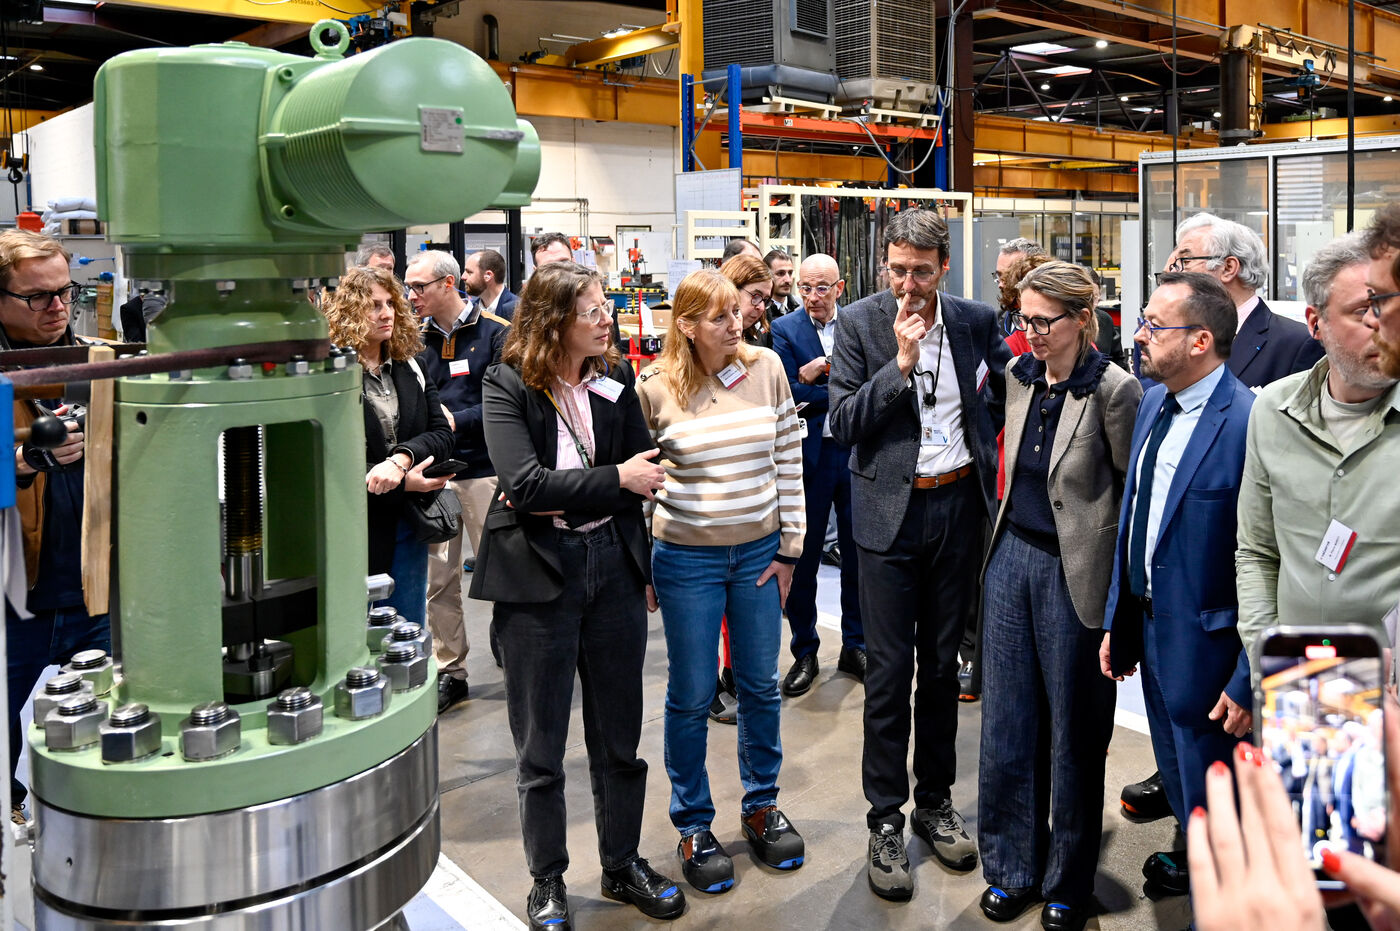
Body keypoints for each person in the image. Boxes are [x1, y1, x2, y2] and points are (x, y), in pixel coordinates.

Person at [472, 261, 683, 931]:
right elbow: (526, 486)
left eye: (604, 308)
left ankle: (621, 863)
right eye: (591, 311)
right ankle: (547, 880)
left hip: (612, 566)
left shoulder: (614, 380)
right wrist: (614, 479)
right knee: (541, 745)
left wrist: (634, 549)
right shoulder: (508, 383)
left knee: (619, 734)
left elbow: (646, 472)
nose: (605, 320)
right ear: (552, 319)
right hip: (540, 576)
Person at [828, 208, 1011, 901]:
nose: (908, 285)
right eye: (898, 270)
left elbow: (996, 402)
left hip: (957, 508)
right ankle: (885, 818)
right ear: (885, 265)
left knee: (941, 669)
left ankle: (934, 799)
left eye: (922, 273)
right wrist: (900, 366)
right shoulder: (860, 324)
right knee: (888, 673)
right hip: (888, 518)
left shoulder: (974, 321)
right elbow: (843, 421)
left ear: (944, 267)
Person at [976, 261, 1141, 930]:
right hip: (1011, 560)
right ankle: (1011, 868)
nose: (1032, 332)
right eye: (1025, 319)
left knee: (1075, 730)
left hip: (1075, 573)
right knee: (1006, 725)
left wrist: (1121, 605)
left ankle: (1067, 880)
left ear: (1082, 318)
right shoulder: (1019, 376)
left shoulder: (1115, 390)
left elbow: (1128, 497)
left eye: (1045, 321)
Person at [637, 268, 807, 896]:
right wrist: (644, 565)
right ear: (686, 326)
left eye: (738, 312)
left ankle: (762, 804)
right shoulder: (654, 387)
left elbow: (788, 457)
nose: (737, 324)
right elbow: (641, 483)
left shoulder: (767, 368)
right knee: (691, 693)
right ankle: (693, 824)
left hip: (760, 554)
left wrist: (790, 548)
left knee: (760, 684)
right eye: (720, 317)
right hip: (687, 560)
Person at [1099, 271, 1255, 901]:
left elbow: (1266, 559)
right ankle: (1197, 869)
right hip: (1150, 630)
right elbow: (1134, 521)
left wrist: (1248, 676)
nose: (1139, 334)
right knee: (1182, 778)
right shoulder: (1153, 402)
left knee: (1219, 795)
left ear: (1200, 341)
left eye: (1154, 325)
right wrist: (1119, 618)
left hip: (1211, 652)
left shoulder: (1247, 423)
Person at [1236, 232, 1400, 670]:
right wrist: (1267, 659)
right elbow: (1257, 552)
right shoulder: (1273, 410)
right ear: (1315, 323)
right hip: (1297, 681)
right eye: (1364, 310)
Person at [1, 230, 110, 823]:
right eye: (38, 297)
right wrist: (21, 461)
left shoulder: (96, 363)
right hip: (16, 605)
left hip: (96, 595)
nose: (58, 306)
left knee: (104, 740)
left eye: (66, 291)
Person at [406, 249, 510, 712]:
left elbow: (508, 402)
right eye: (409, 287)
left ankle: (516, 650)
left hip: (486, 471)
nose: (412, 296)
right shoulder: (414, 340)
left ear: (448, 284)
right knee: (438, 580)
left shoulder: (496, 333)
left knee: (504, 574)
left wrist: (457, 419)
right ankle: (451, 670)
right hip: (434, 475)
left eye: (419, 287)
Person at [323, 266, 454, 627]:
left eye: (390, 304)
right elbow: (324, 461)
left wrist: (402, 459)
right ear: (349, 312)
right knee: (356, 634)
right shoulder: (329, 375)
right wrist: (399, 482)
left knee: (407, 629)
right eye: (374, 305)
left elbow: (442, 433)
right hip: (353, 527)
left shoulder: (411, 365)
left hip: (406, 526)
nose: (386, 313)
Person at [770, 253, 864, 696]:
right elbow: (788, 391)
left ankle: (855, 645)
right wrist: (839, 388)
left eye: (822, 288)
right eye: (804, 288)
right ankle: (805, 650)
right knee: (804, 559)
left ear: (839, 288)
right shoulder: (784, 329)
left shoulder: (858, 325)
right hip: (809, 459)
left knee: (857, 555)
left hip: (854, 454)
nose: (812, 297)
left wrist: (820, 374)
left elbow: (870, 386)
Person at [1164, 212, 1324, 388]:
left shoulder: (1295, 344)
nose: (1174, 272)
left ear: (1228, 268)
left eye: (1185, 261)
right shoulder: (1170, 335)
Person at [721, 254, 773, 349]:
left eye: (765, 300)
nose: (761, 308)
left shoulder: (758, 335)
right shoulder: (710, 336)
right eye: (756, 296)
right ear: (733, 288)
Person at [463, 248, 518, 321]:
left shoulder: (517, 310)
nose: (463, 277)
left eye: (469, 272)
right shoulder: (470, 310)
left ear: (488, 275)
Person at [765, 248, 801, 320]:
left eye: (790, 273)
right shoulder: (759, 309)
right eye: (780, 273)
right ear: (766, 275)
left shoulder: (801, 306)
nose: (788, 280)